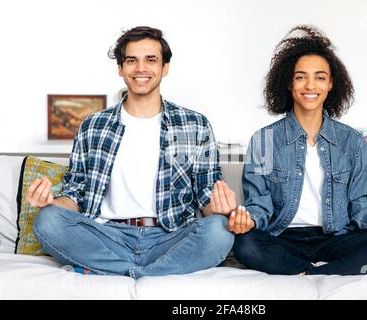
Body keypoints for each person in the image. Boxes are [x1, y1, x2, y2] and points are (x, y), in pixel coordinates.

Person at [27, 26, 237, 279]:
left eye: (151, 60)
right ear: (120, 69)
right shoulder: (93, 126)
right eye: (131, 60)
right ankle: (153, 274)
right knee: (47, 220)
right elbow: (76, 194)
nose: (141, 69)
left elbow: (206, 196)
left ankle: (117, 271)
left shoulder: (194, 124)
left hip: (169, 236)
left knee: (220, 229)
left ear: (165, 67)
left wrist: (223, 208)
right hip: (107, 236)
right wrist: (51, 203)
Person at [232, 25, 367, 275]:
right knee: (245, 243)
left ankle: (312, 273)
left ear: (332, 83)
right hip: (283, 237)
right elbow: (260, 204)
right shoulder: (264, 139)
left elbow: (362, 206)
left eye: (320, 77)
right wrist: (248, 219)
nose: (310, 85)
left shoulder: (353, 142)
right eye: (301, 76)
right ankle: (331, 272)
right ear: (289, 83)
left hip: (336, 238)